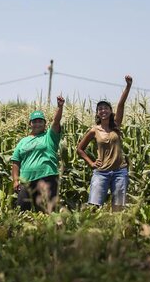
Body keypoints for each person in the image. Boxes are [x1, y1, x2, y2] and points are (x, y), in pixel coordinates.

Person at [76, 75, 133, 211]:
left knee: (118, 208)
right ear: (97, 113)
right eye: (100, 108)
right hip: (101, 172)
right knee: (94, 206)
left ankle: (115, 231)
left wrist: (128, 86)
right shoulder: (94, 130)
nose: (103, 110)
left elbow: (121, 105)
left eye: (105, 108)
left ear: (110, 111)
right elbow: (79, 149)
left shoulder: (116, 126)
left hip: (120, 172)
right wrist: (91, 163)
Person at [11, 95, 65, 213]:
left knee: (47, 211)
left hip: (47, 178)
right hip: (26, 181)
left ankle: (50, 231)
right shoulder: (23, 141)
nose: (37, 124)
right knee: (22, 211)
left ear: (45, 124)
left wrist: (59, 107)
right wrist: (15, 180)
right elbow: (16, 161)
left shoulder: (49, 137)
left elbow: (56, 122)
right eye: (34, 122)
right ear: (30, 124)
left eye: (40, 121)